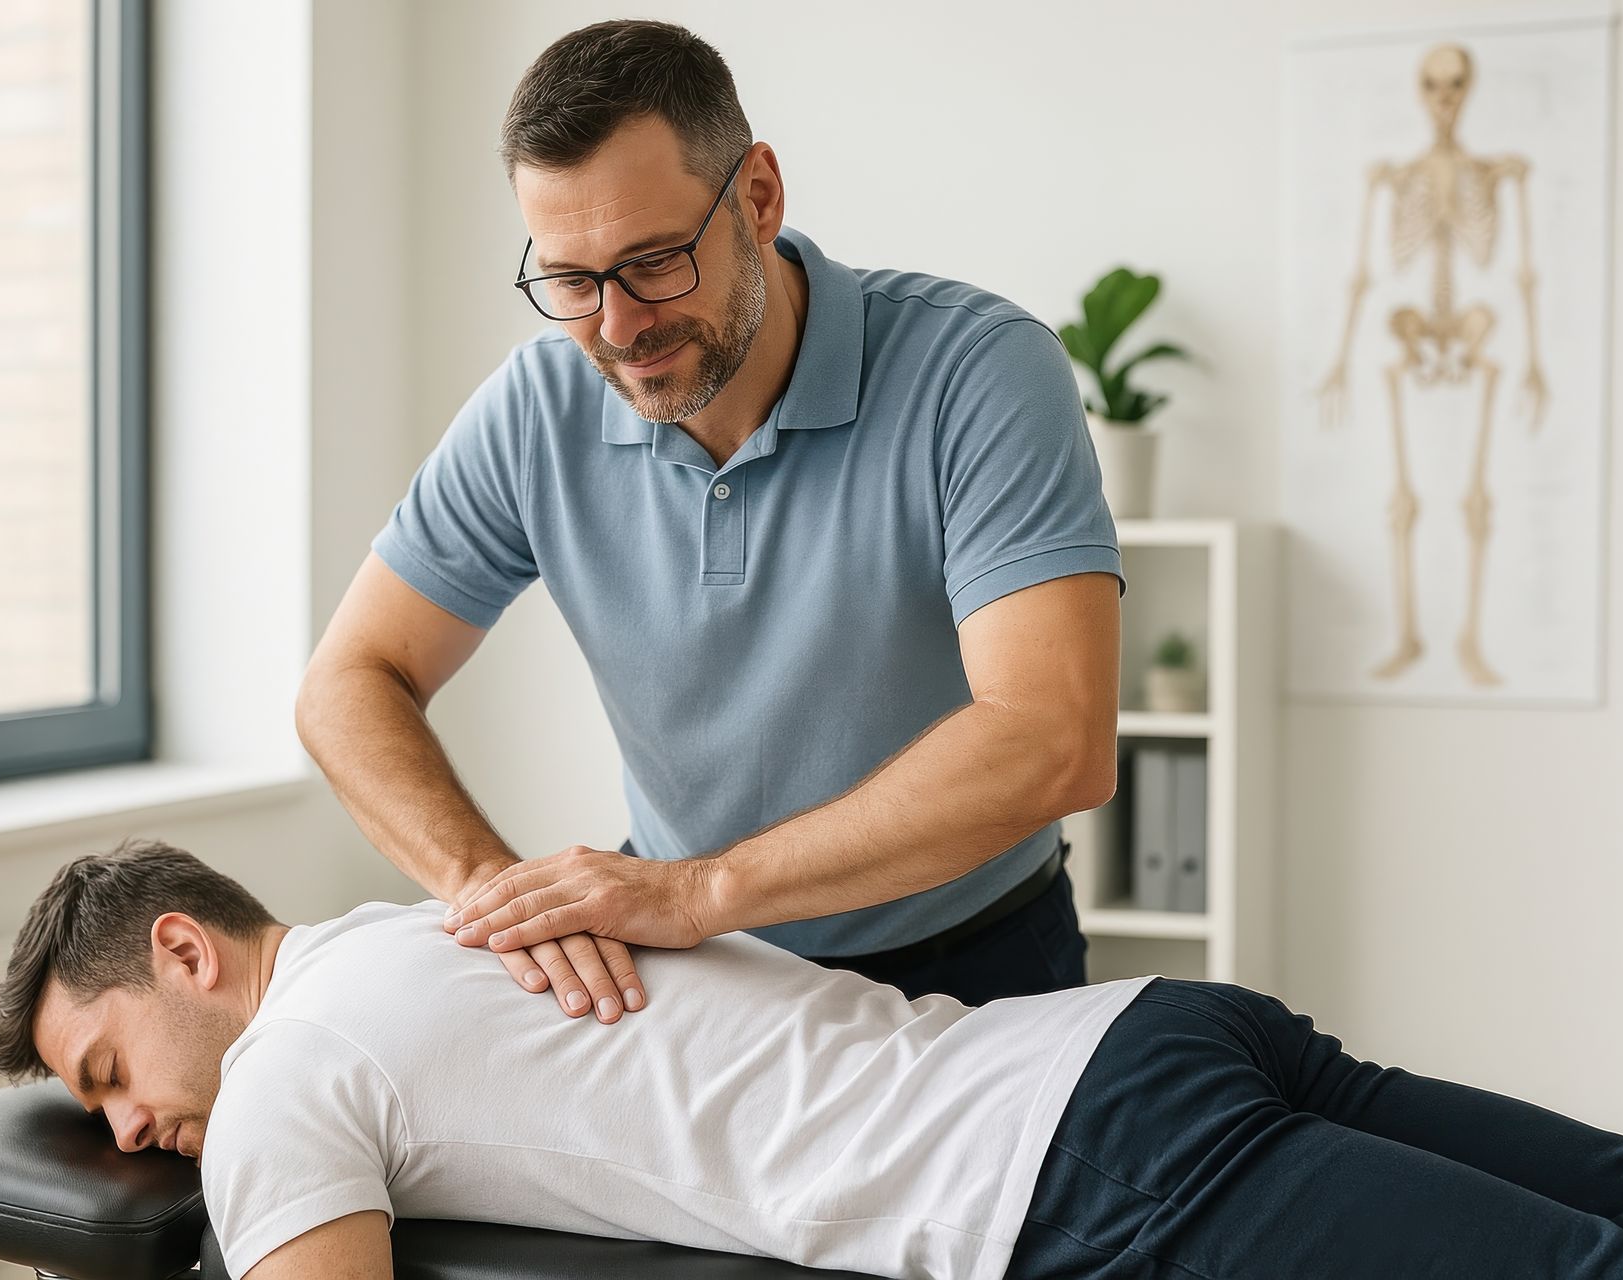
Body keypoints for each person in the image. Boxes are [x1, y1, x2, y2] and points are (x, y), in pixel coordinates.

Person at [294, 17, 1123, 1024]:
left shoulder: (980, 370)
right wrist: (494, 894)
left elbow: (1053, 737)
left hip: (977, 963)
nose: (617, 327)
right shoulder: (537, 407)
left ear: (759, 197)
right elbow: (349, 679)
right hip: (697, 973)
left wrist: (700, 891)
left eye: (653, 261)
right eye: (571, 280)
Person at [0, 840, 1623, 1280]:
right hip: (1151, 1036)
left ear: (186, 952)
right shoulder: (436, 922)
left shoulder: (284, 1080)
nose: (127, 1132)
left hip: (1081, 1169)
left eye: (107, 1070)